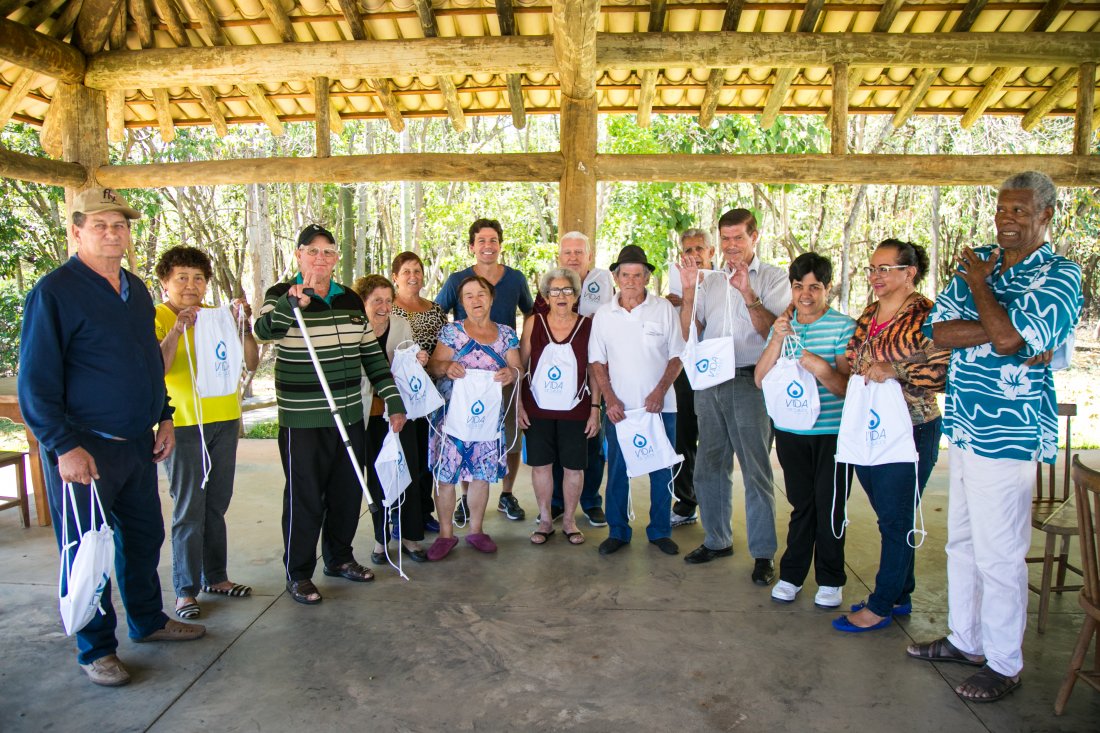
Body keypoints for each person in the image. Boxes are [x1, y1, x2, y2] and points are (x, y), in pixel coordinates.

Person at [18, 188, 205, 687]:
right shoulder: (54, 293)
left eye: (119, 225)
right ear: (76, 231)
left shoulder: (135, 289)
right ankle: (96, 648)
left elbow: (148, 361)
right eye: (99, 225)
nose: (111, 233)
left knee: (143, 537)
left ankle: (147, 620)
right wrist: (63, 445)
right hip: (86, 446)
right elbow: (35, 382)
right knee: (87, 549)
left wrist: (164, 417)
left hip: (136, 443)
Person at [909, 171, 1083, 703]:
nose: (1007, 220)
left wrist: (983, 292)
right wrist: (1005, 330)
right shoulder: (978, 258)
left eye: (1020, 211)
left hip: (1008, 435)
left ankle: (1004, 663)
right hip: (964, 425)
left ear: (1045, 215)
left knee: (1000, 553)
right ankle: (967, 640)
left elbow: (1007, 341)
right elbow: (938, 331)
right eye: (1003, 209)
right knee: (961, 543)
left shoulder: (1060, 275)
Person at [254, 224, 407, 605]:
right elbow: (263, 330)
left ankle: (339, 558)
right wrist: (294, 305)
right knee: (305, 497)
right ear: (299, 256)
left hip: (350, 414)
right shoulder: (281, 294)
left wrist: (392, 399)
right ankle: (298, 573)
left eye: (328, 252)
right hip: (304, 419)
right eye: (312, 251)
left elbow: (370, 353)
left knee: (346, 491)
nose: (320, 258)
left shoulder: (350, 300)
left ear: (336, 258)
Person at [830, 240, 948, 632]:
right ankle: (900, 594)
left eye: (885, 269)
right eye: (872, 269)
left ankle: (880, 606)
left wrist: (895, 370)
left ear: (909, 272)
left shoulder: (928, 315)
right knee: (890, 516)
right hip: (871, 426)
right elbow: (854, 357)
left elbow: (943, 372)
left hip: (912, 428)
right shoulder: (871, 312)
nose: (875, 276)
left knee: (896, 520)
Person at [677, 209, 790, 583]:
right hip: (710, 381)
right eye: (725, 238)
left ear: (754, 237)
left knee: (756, 470)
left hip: (750, 380)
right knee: (709, 466)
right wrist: (689, 290)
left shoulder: (773, 277)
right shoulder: (709, 280)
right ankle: (717, 539)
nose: (731, 245)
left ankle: (763, 554)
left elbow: (775, 332)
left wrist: (747, 292)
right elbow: (689, 332)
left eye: (738, 237)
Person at [154, 246, 260, 620]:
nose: (191, 285)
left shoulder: (218, 317)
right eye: (181, 278)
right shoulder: (157, 317)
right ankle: (185, 590)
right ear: (165, 283)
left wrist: (244, 326)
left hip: (224, 420)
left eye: (198, 278)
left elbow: (251, 362)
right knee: (189, 507)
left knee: (216, 503)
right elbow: (156, 368)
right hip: (183, 424)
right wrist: (178, 329)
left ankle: (215, 576)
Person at [754, 253, 855, 609]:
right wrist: (777, 339)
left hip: (832, 433)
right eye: (799, 287)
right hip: (791, 431)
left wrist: (821, 369)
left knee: (830, 507)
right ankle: (792, 575)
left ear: (828, 288)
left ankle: (831, 579)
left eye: (815, 287)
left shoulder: (843, 326)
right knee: (802, 505)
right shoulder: (783, 326)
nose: (806, 295)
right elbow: (760, 379)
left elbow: (846, 387)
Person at [589, 245, 685, 557]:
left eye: (637, 275)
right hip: (620, 409)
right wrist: (610, 399)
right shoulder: (604, 314)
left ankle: (660, 531)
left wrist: (660, 391)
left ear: (646, 278)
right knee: (617, 470)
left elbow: (677, 355)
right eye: (625, 275)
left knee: (661, 470)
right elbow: (597, 361)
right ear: (616, 278)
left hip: (661, 407)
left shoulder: (663, 309)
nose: (631, 281)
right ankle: (618, 531)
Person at [436, 219, 534, 522]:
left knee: (509, 434)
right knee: (468, 432)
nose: (488, 246)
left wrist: (521, 360)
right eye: (481, 241)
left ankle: (507, 493)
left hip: (503, 369)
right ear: (472, 247)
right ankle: (466, 498)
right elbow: (437, 313)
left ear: (500, 245)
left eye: (493, 240)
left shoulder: (515, 279)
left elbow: (532, 314)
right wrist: (438, 360)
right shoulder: (458, 280)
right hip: (467, 379)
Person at [426, 276, 524, 561]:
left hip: (487, 419)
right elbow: (433, 366)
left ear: (491, 298)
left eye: (480, 294)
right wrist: (447, 366)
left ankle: (477, 530)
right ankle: (446, 534)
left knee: (481, 474)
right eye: (468, 296)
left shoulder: (506, 334)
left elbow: (519, 369)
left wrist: (511, 373)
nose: (475, 300)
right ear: (461, 302)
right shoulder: (452, 332)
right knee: (446, 476)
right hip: (451, 418)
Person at [530, 232, 610, 527]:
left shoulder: (605, 285)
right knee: (551, 452)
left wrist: (596, 403)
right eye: (568, 252)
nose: (573, 257)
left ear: (590, 255)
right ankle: (554, 505)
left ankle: (590, 502)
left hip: (588, 385)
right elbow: (533, 347)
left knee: (590, 447)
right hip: (549, 394)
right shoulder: (546, 294)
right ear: (559, 256)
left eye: (579, 252)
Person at [521, 267, 601, 546]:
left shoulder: (588, 326)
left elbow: (594, 370)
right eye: (555, 291)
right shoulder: (533, 323)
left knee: (574, 467)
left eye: (567, 290)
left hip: (576, 408)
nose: (561, 296)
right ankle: (545, 520)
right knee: (541, 465)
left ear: (576, 295)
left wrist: (595, 408)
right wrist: (518, 405)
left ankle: (569, 520)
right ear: (546, 296)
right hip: (536, 409)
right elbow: (520, 366)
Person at [353, 275, 429, 564]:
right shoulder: (353, 328)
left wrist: (418, 359)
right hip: (367, 413)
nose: (384, 307)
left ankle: (410, 536)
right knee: (376, 477)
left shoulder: (400, 324)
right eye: (377, 301)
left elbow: (408, 359)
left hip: (400, 410)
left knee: (408, 471)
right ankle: (380, 540)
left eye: (388, 300)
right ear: (363, 302)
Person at [390, 251, 448, 534]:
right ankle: (398, 515)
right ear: (395, 278)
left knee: (427, 455)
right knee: (402, 456)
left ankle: (424, 511)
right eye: (406, 272)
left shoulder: (435, 310)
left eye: (417, 271)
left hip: (431, 395)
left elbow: (446, 346)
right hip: (399, 395)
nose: (413, 277)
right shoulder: (388, 308)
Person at [666, 228, 716, 527]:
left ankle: (712, 504)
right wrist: (673, 303)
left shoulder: (725, 280)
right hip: (685, 366)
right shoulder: (677, 280)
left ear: (711, 252)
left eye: (699, 249)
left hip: (716, 366)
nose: (694, 255)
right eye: (688, 250)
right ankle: (686, 503)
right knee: (683, 435)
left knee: (712, 439)